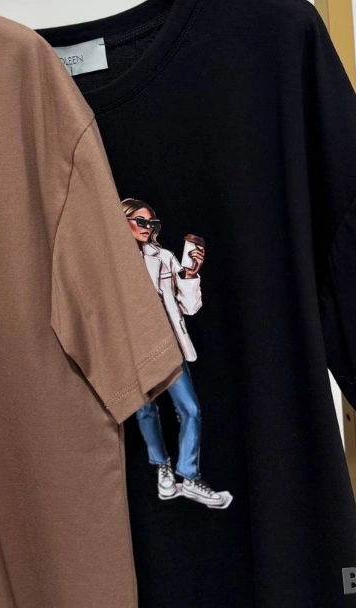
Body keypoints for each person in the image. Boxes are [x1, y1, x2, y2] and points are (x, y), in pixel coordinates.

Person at [122, 199, 232, 510]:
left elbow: (190, 307)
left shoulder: (164, 257)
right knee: (144, 411)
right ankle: (162, 468)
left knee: (191, 409)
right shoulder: (110, 264)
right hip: (132, 349)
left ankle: (190, 475)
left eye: (152, 223)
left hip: (169, 345)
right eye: (140, 222)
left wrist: (191, 274)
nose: (148, 228)